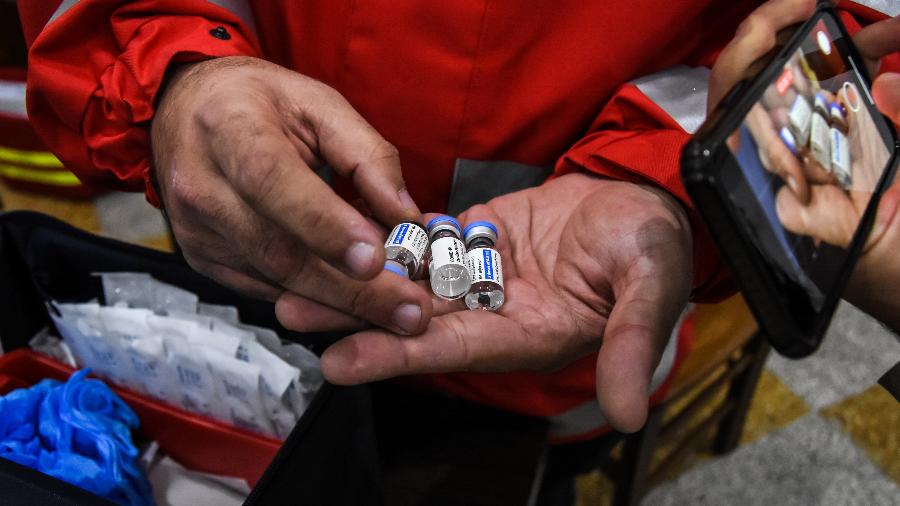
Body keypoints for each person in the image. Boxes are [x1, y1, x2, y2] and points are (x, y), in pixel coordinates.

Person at [16, 0, 896, 447]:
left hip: (568, 335)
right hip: (253, 274)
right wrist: (176, 75)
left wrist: (664, 177)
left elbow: (846, 38)